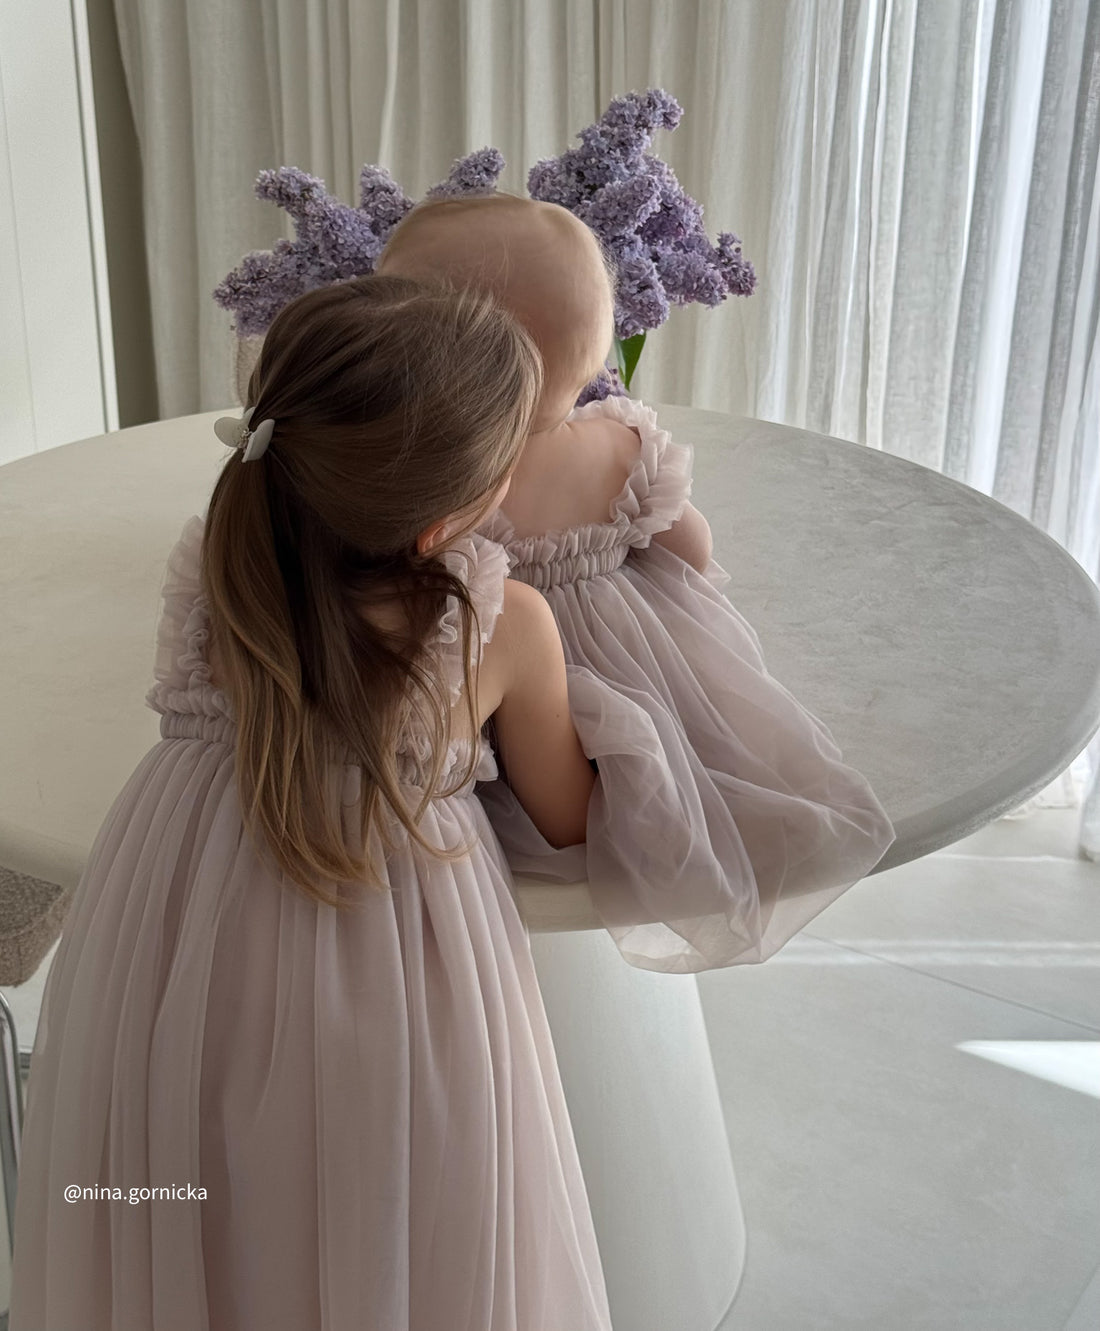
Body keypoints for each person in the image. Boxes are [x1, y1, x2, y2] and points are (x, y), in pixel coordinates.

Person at [10, 276, 613, 1331]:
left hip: (181, 942)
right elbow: (571, 817)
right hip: (393, 972)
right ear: (440, 524)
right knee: (400, 1201)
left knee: (198, 1188)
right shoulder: (502, 619)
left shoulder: (220, 569)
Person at [379, 196, 896, 973]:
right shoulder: (618, 445)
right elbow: (692, 547)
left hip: (511, 691)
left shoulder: (439, 482)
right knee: (655, 755)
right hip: (636, 671)